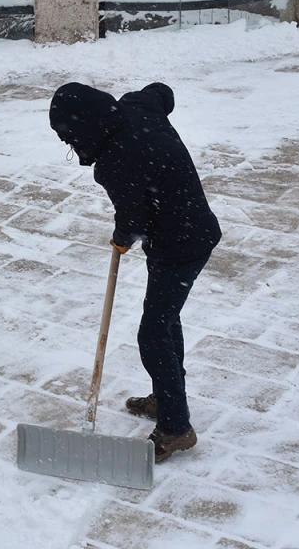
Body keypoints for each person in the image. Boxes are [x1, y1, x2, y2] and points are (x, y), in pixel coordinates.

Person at [49, 81, 221, 463]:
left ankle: (177, 428)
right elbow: (163, 93)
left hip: (179, 246)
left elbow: (134, 218)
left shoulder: (116, 161)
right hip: (194, 231)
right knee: (165, 317)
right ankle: (166, 399)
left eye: (70, 138)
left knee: (154, 331)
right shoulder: (136, 106)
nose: (71, 146)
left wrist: (121, 238)